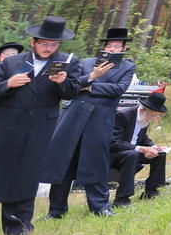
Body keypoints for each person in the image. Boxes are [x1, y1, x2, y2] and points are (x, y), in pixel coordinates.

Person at [0, 16, 80, 235]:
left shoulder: (68, 63)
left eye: (53, 44)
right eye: (43, 43)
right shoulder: (10, 64)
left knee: (24, 180)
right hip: (1, 131)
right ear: (33, 41)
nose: (48, 48)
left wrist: (63, 82)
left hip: (38, 132)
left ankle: (18, 232)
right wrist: (7, 84)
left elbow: (72, 93)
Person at [43, 26, 137, 219]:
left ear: (124, 49)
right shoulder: (85, 63)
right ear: (103, 47)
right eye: (109, 46)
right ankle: (56, 210)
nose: (112, 49)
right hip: (73, 116)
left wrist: (89, 85)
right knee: (64, 162)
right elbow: (73, 86)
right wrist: (89, 80)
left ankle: (100, 206)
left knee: (96, 161)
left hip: (101, 118)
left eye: (117, 46)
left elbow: (118, 89)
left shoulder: (128, 67)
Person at [109, 91, 168, 207]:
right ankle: (122, 199)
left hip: (132, 151)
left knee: (160, 155)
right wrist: (142, 149)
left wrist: (153, 147)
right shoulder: (123, 115)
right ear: (142, 110)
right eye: (152, 115)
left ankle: (151, 191)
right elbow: (114, 142)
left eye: (156, 116)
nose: (153, 118)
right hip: (115, 154)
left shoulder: (145, 119)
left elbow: (142, 137)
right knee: (132, 155)